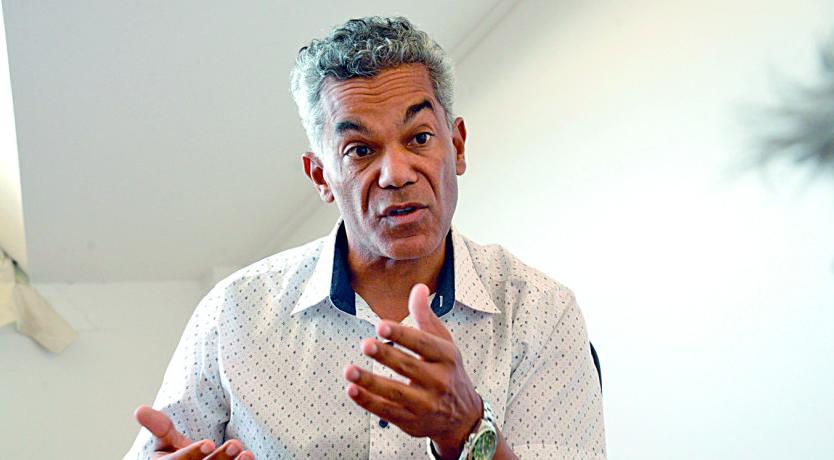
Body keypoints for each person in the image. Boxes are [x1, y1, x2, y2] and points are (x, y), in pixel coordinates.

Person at [125, 16, 606, 460]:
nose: (396, 173)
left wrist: (468, 429)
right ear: (320, 176)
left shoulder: (541, 313)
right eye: (359, 150)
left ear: (457, 146)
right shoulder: (233, 313)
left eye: (419, 138)